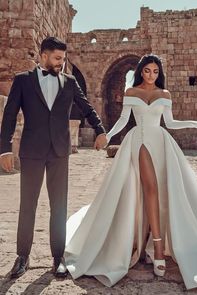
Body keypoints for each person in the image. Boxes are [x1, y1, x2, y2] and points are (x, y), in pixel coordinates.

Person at [65, 53, 197, 289]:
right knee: (150, 188)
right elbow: (125, 120)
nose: (151, 75)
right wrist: (106, 135)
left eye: (155, 71)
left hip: (161, 142)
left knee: (163, 191)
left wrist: (192, 123)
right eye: (147, 71)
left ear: (159, 73)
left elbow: (171, 122)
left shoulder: (164, 95)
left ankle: (152, 241)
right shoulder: (131, 93)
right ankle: (156, 247)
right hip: (140, 141)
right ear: (140, 71)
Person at [0, 37, 107, 279]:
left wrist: (100, 130)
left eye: (63, 58)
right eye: (57, 58)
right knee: (28, 204)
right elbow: (9, 116)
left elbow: (86, 106)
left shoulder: (69, 83)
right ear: (44, 55)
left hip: (60, 151)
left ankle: (58, 258)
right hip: (31, 152)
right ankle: (22, 257)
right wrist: (4, 148)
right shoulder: (23, 81)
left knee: (59, 206)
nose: (61, 63)